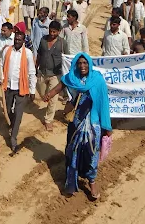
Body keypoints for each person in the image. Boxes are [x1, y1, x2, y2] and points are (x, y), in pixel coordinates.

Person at [42, 53, 112, 199]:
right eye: (79, 63)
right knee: (72, 151)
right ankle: (71, 183)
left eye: (85, 63)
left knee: (91, 153)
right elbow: (59, 87)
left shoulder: (97, 79)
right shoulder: (72, 78)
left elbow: (104, 103)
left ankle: (92, 182)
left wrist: (107, 126)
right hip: (76, 122)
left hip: (93, 123)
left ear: (89, 64)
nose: (82, 66)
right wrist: (49, 95)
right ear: (76, 64)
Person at [1, 30, 36, 153]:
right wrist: (0, 78)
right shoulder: (7, 51)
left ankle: (13, 139)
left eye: (19, 40)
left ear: (23, 41)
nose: (17, 41)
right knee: (8, 110)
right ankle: (12, 125)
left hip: (22, 88)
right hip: (8, 87)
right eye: (16, 39)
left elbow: (31, 72)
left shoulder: (28, 53)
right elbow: (1, 65)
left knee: (18, 113)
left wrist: (32, 90)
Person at [36, 20, 69, 131]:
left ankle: (48, 120)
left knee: (53, 98)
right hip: (42, 72)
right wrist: (36, 67)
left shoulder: (63, 43)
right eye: (50, 31)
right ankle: (46, 97)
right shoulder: (43, 40)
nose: (52, 33)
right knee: (43, 94)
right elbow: (39, 54)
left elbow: (67, 59)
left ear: (59, 32)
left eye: (54, 32)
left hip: (56, 74)